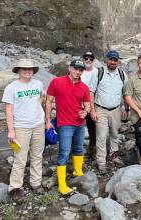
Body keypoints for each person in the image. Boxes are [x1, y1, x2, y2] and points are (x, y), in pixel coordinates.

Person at [45, 59, 90, 195]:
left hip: (80, 123)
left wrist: (86, 111)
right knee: (64, 152)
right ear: (70, 68)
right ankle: (62, 185)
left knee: (78, 148)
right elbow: (48, 101)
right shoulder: (57, 82)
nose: (78, 72)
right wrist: (47, 121)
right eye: (75, 69)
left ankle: (78, 171)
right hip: (64, 124)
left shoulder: (84, 87)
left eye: (80, 70)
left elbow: (87, 104)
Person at [3, 59, 45, 203]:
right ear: (19, 70)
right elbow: (8, 111)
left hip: (38, 125)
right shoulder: (11, 87)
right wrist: (11, 131)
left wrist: (40, 115)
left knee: (37, 155)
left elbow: (41, 98)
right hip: (21, 127)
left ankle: (36, 182)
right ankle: (15, 187)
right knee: (20, 158)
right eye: (24, 69)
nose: (28, 71)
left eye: (30, 69)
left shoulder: (38, 84)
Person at [88, 50, 127, 174]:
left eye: (115, 60)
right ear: (107, 60)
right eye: (111, 59)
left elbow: (126, 93)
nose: (113, 62)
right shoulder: (99, 73)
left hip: (116, 109)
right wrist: (92, 110)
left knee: (115, 134)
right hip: (100, 109)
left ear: (118, 61)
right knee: (101, 136)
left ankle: (114, 156)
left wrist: (126, 108)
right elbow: (91, 92)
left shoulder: (122, 74)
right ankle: (101, 162)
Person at [81, 51, 98, 159]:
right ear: (83, 59)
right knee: (76, 127)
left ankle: (92, 150)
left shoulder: (97, 72)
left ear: (93, 61)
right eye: (86, 58)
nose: (88, 60)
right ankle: (75, 151)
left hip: (92, 104)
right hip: (78, 105)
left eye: (91, 59)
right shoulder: (78, 70)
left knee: (92, 128)